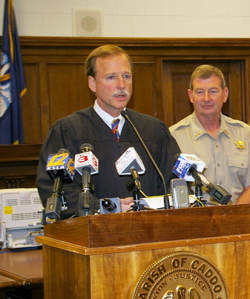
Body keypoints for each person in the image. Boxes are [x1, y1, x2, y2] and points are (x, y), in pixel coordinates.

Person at [36, 44, 181, 216]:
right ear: (92, 83)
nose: (122, 85)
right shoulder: (68, 130)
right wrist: (106, 206)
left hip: (149, 232)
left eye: (127, 76)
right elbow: (55, 189)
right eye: (111, 77)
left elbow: (174, 183)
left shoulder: (154, 130)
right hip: (92, 235)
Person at [170, 65, 250, 207]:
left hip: (237, 223)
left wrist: (232, 218)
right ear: (191, 96)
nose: (206, 98)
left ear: (225, 94)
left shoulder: (243, 132)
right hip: (193, 225)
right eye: (200, 92)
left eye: (213, 91)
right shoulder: (174, 136)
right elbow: (169, 190)